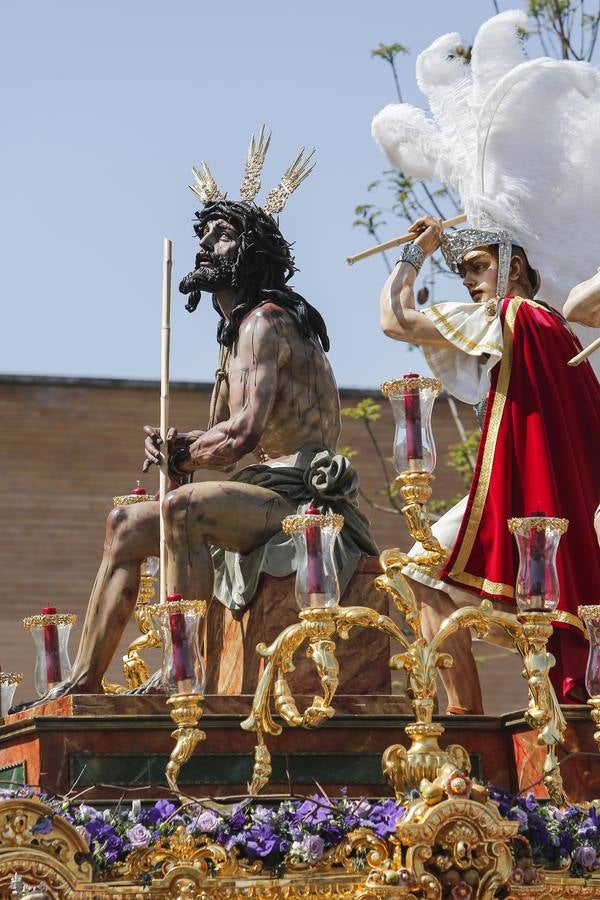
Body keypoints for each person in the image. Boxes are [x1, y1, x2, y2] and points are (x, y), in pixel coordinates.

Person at [30, 140, 377, 701]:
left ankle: (180, 668)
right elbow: (220, 438)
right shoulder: (233, 337)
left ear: (253, 250)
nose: (205, 244)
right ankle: (82, 681)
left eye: (221, 235)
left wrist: (186, 455)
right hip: (258, 488)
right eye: (203, 235)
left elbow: (243, 435)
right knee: (124, 524)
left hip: (299, 497)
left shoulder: (267, 322)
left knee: (182, 508)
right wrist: (176, 447)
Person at [372, 10, 600, 712]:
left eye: (476, 265)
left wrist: (413, 255)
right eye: (463, 268)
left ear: (514, 265)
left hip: (528, 502)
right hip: (545, 500)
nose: (469, 280)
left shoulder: (510, 317)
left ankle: (466, 727)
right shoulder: (555, 328)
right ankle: (467, 724)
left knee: (425, 574)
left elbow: (396, 320)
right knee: (424, 572)